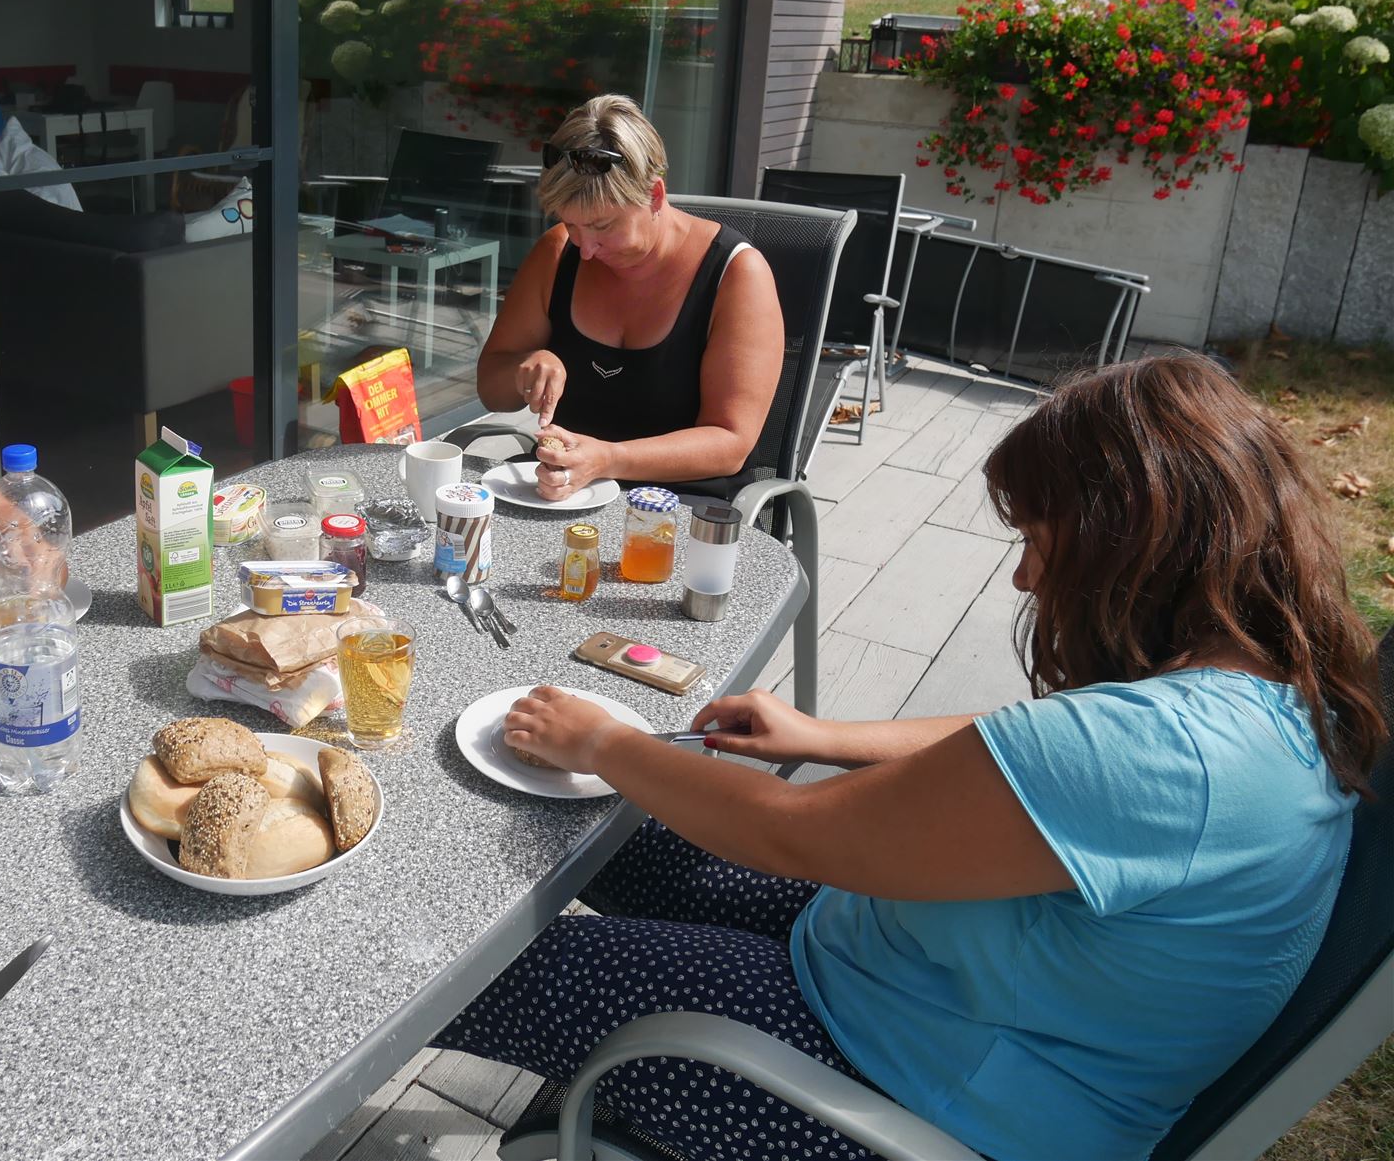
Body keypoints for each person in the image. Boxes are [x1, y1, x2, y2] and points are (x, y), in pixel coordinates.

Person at [444, 353, 1384, 1161]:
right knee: (608, 820)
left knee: (475, 965)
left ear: (1129, 546)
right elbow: (1034, 761)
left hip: (909, 1097)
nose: (1025, 575)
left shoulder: (1166, 753)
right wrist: (826, 737)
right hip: (917, 982)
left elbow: (790, 831)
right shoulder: (1268, 691)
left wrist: (606, 741)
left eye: (1038, 541)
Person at [475, 95, 784, 502]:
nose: (586, 249)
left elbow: (731, 443)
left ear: (655, 195)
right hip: (565, 495)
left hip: (683, 506)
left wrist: (608, 459)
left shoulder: (737, 274)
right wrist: (524, 369)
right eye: (571, 224)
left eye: (603, 226)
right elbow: (491, 389)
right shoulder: (559, 252)